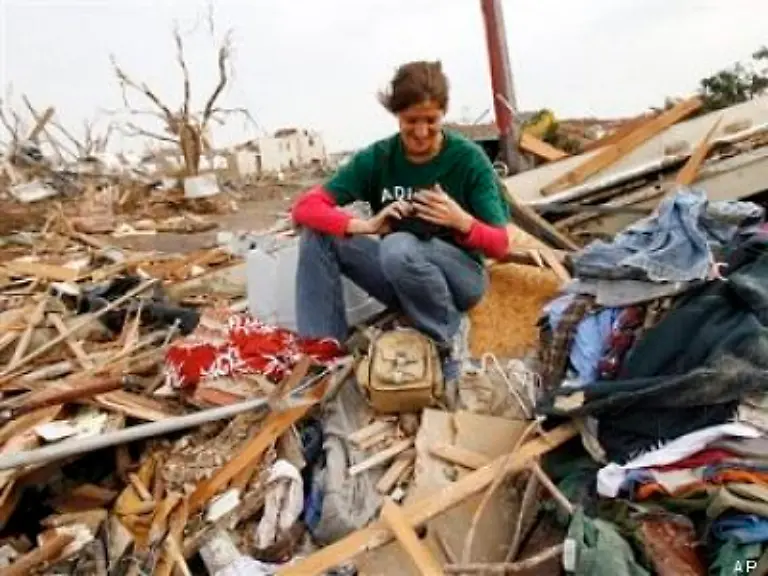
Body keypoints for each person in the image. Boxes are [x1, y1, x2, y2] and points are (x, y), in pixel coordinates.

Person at [291, 60, 511, 382]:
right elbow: (305, 207)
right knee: (319, 233)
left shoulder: (467, 159)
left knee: (397, 245)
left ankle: (447, 338)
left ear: (443, 114)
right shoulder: (378, 158)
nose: (421, 132)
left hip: (461, 280)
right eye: (411, 121)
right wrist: (363, 226)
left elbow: (502, 245)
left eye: (431, 121)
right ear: (397, 115)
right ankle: (323, 356)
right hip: (400, 274)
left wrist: (462, 221)